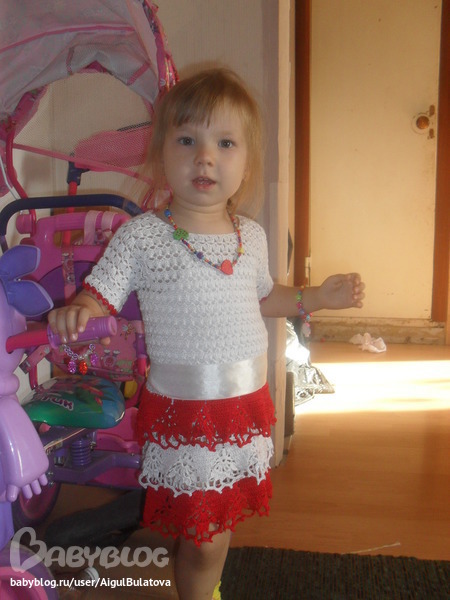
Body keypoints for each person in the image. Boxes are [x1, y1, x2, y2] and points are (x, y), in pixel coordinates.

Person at [48, 68, 365, 600]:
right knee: (204, 538)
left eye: (225, 143)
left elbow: (264, 296)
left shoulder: (251, 236)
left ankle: (200, 583)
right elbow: (101, 291)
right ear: (161, 153)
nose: (205, 158)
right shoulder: (142, 236)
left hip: (244, 408)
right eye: (187, 140)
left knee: (215, 523)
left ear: (247, 163)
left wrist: (315, 297)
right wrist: (79, 307)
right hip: (185, 415)